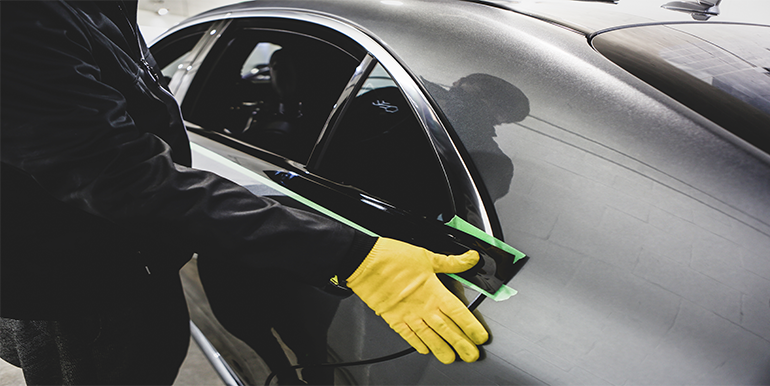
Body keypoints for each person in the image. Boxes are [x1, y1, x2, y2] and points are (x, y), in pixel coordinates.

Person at [0, 0, 488, 384]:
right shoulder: (21, 19)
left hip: (137, 259)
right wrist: (353, 256)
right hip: (79, 286)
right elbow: (117, 174)